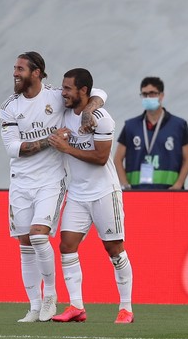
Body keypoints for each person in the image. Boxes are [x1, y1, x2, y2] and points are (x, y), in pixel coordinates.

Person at [0, 52, 107, 322]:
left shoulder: (55, 97)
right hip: (21, 182)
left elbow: (99, 92)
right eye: (14, 68)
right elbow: (13, 148)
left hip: (50, 181)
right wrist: (50, 140)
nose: (15, 73)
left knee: (38, 236)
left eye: (20, 69)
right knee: (25, 245)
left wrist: (90, 111)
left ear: (36, 72)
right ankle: (34, 306)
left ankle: (50, 296)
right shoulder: (9, 107)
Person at [49, 68, 134, 324]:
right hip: (77, 194)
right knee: (66, 246)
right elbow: (100, 92)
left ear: (82, 91)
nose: (63, 93)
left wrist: (66, 147)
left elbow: (100, 158)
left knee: (114, 249)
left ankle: (126, 308)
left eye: (68, 89)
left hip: (105, 192)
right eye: (63, 88)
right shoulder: (67, 110)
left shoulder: (101, 118)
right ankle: (76, 306)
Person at [114, 77, 188, 190]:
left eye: (152, 93)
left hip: (169, 192)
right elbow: (117, 159)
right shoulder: (130, 126)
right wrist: (125, 185)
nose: (148, 97)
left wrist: (178, 185)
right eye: (144, 94)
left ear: (161, 95)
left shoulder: (179, 125)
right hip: (137, 192)